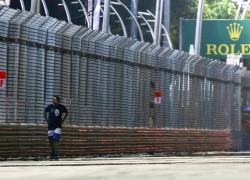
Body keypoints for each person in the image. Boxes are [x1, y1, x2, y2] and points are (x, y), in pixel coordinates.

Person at [44, 95, 68, 160]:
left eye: (55, 99)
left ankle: (56, 154)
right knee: (51, 141)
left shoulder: (61, 107)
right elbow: (44, 112)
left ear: (58, 101)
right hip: (50, 126)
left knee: (56, 139)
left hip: (58, 126)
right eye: (53, 99)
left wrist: (62, 121)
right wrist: (47, 121)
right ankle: (52, 153)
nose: (54, 101)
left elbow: (66, 112)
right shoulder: (50, 106)